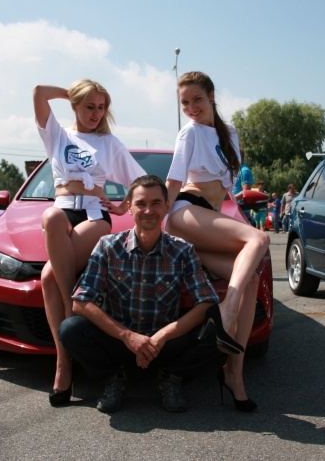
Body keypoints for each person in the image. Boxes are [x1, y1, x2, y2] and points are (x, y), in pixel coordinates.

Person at [60, 175, 224, 413]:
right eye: (141, 203)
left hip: (165, 345)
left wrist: (161, 337)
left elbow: (206, 302)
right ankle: (113, 378)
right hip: (119, 343)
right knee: (70, 329)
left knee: (218, 328)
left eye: (156, 203)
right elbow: (80, 302)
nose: (148, 210)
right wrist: (127, 336)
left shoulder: (183, 250)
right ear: (129, 208)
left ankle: (171, 377)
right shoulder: (108, 246)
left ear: (167, 207)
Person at [34, 79, 145, 407]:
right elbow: (39, 92)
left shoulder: (109, 143)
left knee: (48, 276)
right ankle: (69, 331)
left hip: (95, 215)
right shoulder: (57, 135)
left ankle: (63, 360)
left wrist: (124, 205)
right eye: (89, 106)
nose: (97, 113)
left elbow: (140, 181)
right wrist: (73, 93)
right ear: (75, 105)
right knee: (51, 220)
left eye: (101, 107)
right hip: (62, 212)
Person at [164, 71, 269, 411]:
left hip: (207, 220)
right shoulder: (189, 132)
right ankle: (228, 307)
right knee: (259, 238)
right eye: (184, 103)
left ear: (211, 96)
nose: (191, 108)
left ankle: (233, 373)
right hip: (185, 212)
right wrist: (157, 227)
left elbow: (227, 191)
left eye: (196, 99)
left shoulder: (230, 133)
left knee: (250, 277)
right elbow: (174, 182)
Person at [232, 150, 254, 225]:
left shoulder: (244, 171)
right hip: (233, 209)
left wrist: (231, 199)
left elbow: (246, 192)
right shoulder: (236, 170)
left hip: (241, 210)